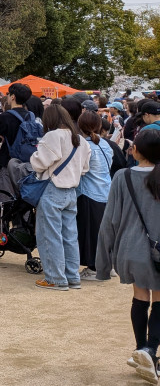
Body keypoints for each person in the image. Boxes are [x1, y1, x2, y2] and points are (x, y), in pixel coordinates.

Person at [96, 128, 160, 384]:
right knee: (159, 300)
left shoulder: (122, 177)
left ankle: (142, 350)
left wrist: (102, 265)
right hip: (158, 251)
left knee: (140, 297)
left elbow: (109, 221)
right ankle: (150, 351)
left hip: (131, 250)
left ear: (135, 150)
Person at [29, 103, 91, 290]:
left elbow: (39, 163)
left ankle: (55, 278)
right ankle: (72, 276)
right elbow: (85, 169)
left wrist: (34, 156)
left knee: (50, 235)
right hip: (71, 191)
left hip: (52, 189)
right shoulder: (81, 140)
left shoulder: (52, 136)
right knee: (70, 236)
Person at [76, 110, 113, 280]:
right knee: (104, 232)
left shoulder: (84, 145)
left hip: (89, 193)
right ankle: (107, 265)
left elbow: (81, 170)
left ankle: (94, 268)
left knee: (91, 234)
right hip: (106, 191)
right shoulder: (105, 144)